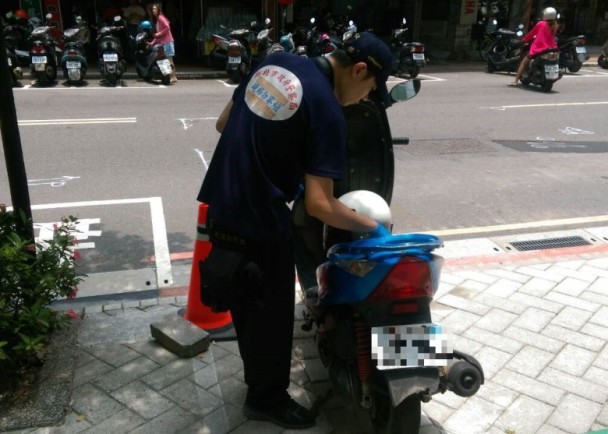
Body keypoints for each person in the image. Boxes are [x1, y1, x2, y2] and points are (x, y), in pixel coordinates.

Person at [196, 32, 394, 430]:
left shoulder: (275, 62)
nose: (363, 100)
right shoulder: (328, 111)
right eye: (370, 90)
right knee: (271, 320)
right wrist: (375, 227)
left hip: (221, 206)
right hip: (260, 220)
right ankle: (266, 400)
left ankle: (259, 385)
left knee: (247, 310)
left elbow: (223, 124)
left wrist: (282, 158)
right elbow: (322, 206)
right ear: (358, 71)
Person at [509, 6, 559, 87]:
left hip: (539, 48)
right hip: (551, 48)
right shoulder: (556, 25)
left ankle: (515, 80)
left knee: (524, 62)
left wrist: (524, 40)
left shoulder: (541, 24)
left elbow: (532, 34)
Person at [149, 3, 177, 83]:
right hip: (163, 42)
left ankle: (173, 76)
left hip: (167, 41)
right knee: (167, 59)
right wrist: (152, 42)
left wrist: (159, 34)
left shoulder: (161, 18)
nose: (154, 10)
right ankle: (170, 76)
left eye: (155, 9)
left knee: (169, 59)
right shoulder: (158, 19)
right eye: (152, 9)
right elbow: (158, 35)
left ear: (158, 10)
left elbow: (167, 27)